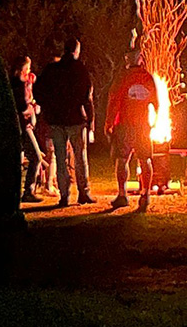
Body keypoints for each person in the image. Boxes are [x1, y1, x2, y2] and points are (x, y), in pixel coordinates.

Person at [34, 38, 96, 208]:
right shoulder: (80, 69)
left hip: (56, 120)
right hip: (75, 119)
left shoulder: (52, 69)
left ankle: (64, 195)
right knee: (80, 157)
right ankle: (83, 192)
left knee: (61, 159)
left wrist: (47, 107)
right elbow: (87, 96)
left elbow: (38, 90)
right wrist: (90, 119)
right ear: (76, 51)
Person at [105, 49, 158, 213]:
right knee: (145, 159)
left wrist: (109, 123)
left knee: (122, 159)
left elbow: (114, 100)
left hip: (126, 125)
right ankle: (145, 194)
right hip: (142, 125)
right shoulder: (147, 77)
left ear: (127, 59)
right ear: (140, 59)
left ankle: (123, 195)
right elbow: (156, 102)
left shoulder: (123, 77)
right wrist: (154, 121)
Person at [10, 55, 44, 204]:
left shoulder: (18, 84)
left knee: (21, 159)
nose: (29, 71)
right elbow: (22, 106)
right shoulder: (18, 85)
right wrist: (31, 108)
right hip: (23, 126)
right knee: (35, 156)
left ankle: (19, 191)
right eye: (28, 68)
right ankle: (28, 191)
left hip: (24, 125)